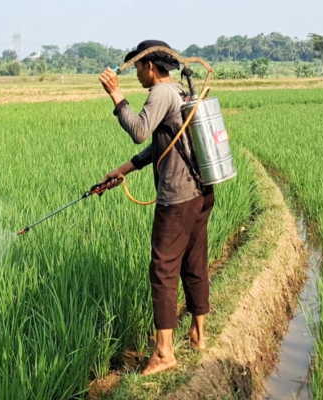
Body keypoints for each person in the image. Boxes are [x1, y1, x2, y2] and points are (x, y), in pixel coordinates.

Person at [99, 40, 216, 377]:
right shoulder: (178, 90)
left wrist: (116, 96)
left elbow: (139, 131)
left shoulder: (161, 93)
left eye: (137, 68)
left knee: (163, 270)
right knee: (194, 263)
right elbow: (163, 143)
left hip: (177, 198)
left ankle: (164, 353)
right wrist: (124, 169)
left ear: (150, 67)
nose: (137, 75)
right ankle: (198, 335)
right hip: (200, 192)